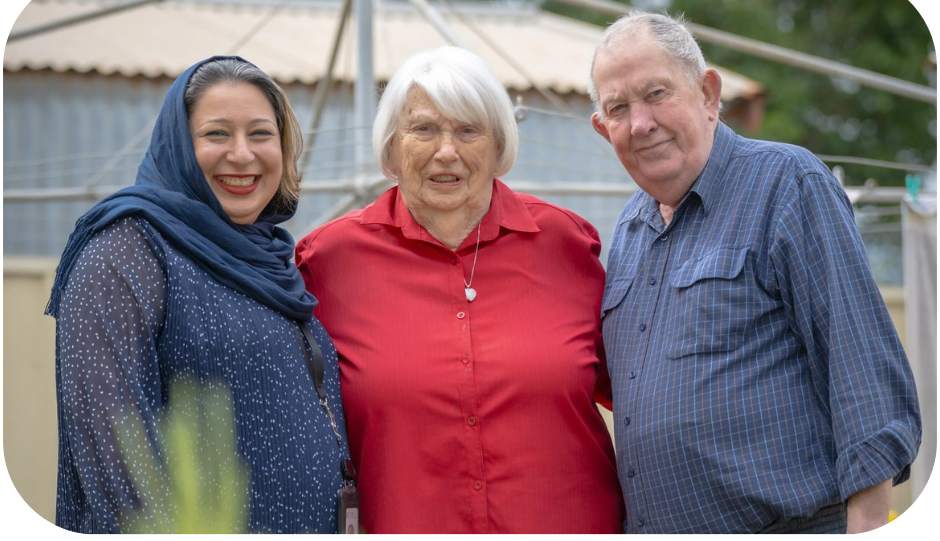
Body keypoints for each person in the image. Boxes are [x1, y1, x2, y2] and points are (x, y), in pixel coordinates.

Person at [588, 10, 922, 535]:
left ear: (708, 93)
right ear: (602, 128)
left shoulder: (789, 185)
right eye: (619, 108)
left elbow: (865, 384)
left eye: (656, 94)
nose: (641, 123)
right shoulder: (629, 230)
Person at [295, 45, 624, 534]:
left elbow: (642, 391)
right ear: (390, 147)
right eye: (423, 129)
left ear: (498, 146)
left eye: (468, 130)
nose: (445, 151)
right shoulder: (326, 262)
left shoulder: (568, 245)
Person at [46, 56, 351, 534]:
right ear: (179, 147)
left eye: (260, 133)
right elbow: (117, 456)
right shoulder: (127, 251)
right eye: (216, 134)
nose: (242, 154)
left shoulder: (269, 258)